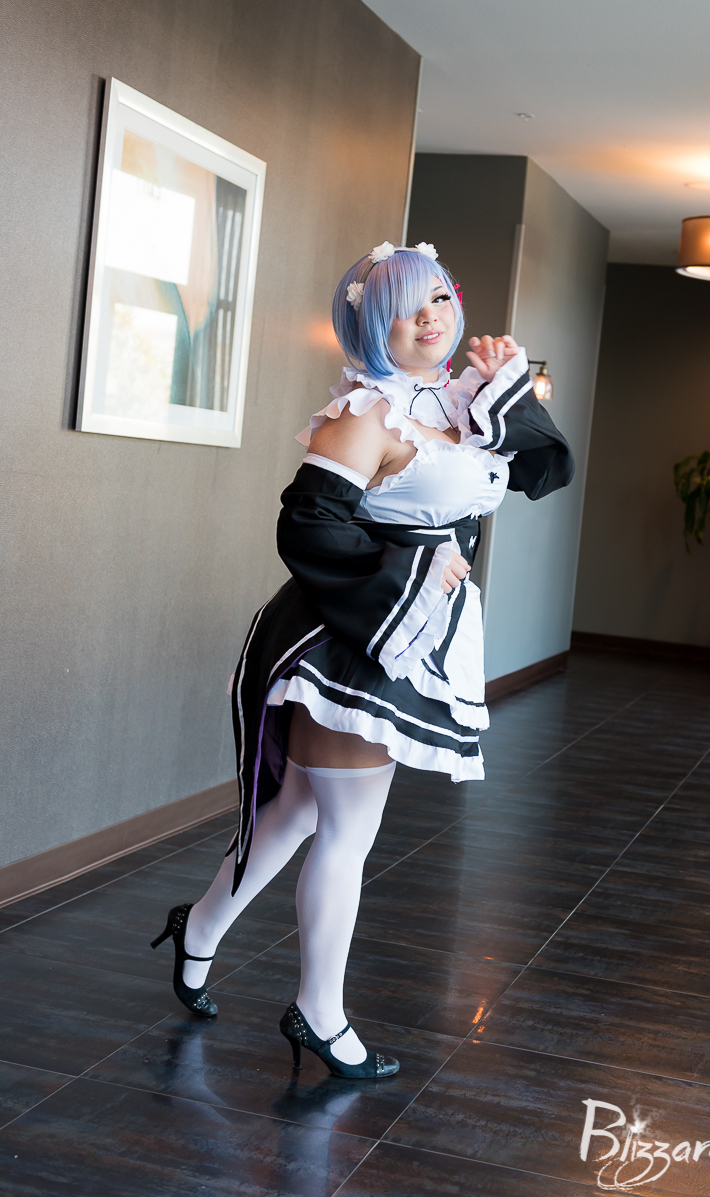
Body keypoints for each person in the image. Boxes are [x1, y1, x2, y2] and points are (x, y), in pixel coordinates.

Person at [151, 240, 574, 1078]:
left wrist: (506, 382)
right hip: (353, 637)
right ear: (370, 327)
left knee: (299, 813)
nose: (429, 318)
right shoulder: (364, 415)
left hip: (407, 631)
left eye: (439, 298)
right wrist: (413, 566)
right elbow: (307, 526)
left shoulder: (454, 396)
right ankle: (318, 1013)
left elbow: (538, 471)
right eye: (404, 309)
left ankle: (196, 928)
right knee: (346, 830)